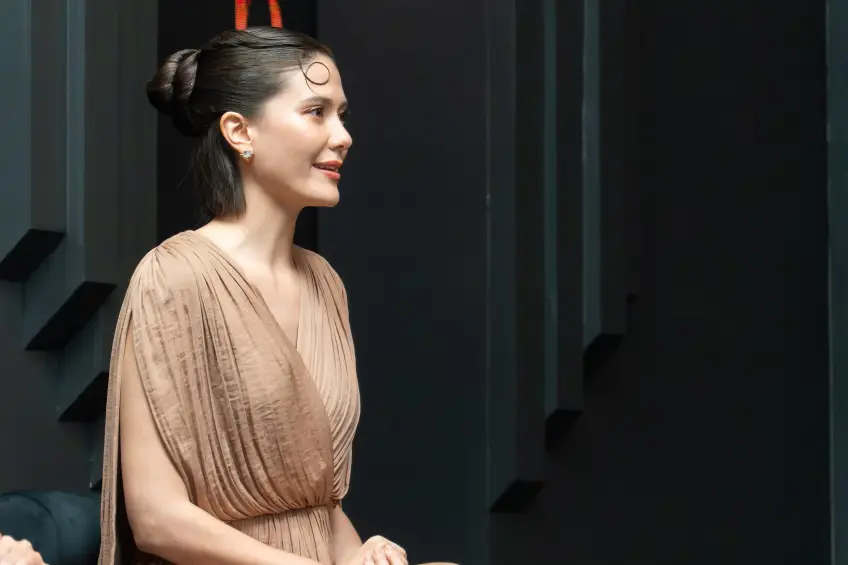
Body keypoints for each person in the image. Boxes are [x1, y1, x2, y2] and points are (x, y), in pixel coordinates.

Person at [98, 26, 436, 565]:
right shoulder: (174, 277)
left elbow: (315, 505)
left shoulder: (324, 281)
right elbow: (157, 519)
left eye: (342, 114)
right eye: (316, 112)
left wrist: (362, 557)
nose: (343, 136)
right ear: (239, 131)